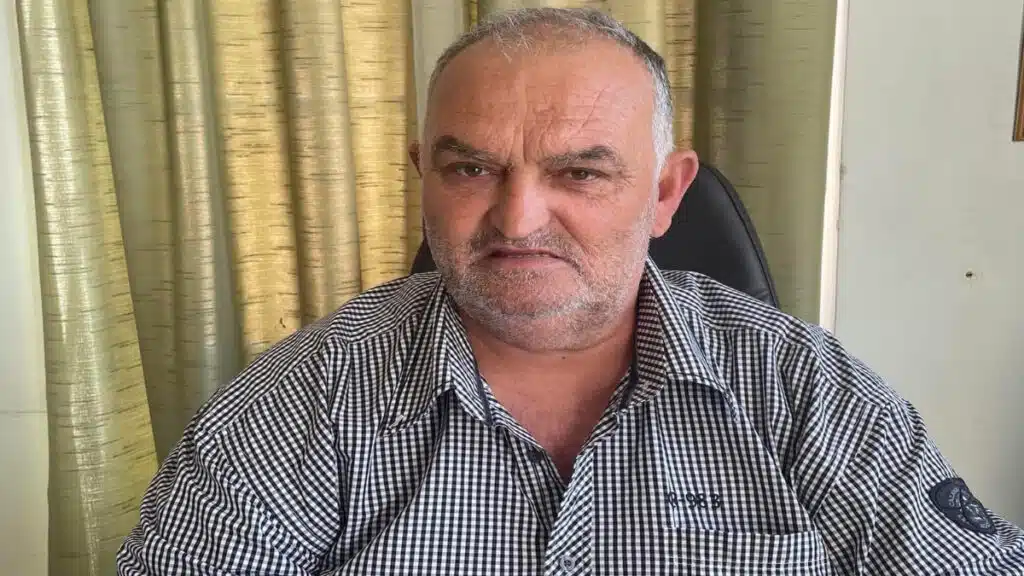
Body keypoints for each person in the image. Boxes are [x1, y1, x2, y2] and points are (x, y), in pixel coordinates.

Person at [117, 7, 1024, 575]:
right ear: (423, 176)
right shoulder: (299, 404)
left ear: (664, 193)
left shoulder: (807, 395)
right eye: (471, 168)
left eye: (580, 173)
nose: (517, 219)